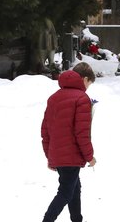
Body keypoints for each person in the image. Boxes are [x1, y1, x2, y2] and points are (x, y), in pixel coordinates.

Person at [41, 62, 97, 222]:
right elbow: (82, 133)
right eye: (89, 83)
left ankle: (77, 219)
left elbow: (45, 131)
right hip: (71, 156)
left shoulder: (54, 97)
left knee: (74, 189)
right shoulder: (82, 98)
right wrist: (89, 157)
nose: (87, 87)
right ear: (85, 79)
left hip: (59, 155)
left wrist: (50, 156)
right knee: (66, 192)